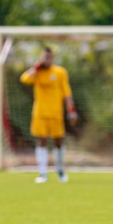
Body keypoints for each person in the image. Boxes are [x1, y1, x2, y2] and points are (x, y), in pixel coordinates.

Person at [20, 47, 77, 183]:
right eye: (45, 57)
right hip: (40, 113)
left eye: (50, 57)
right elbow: (24, 79)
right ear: (41, 58)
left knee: (58, 142)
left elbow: (67, 93)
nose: (47, 60)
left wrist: (71, 111)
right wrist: (35, 68)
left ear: (53, 58)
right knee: (41, 141)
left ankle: (60, 170)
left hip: (56, 113)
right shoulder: (37, 72)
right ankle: (42, 173)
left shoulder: (60, 72)